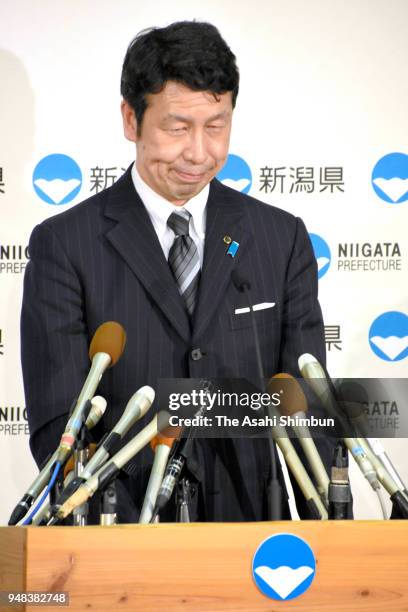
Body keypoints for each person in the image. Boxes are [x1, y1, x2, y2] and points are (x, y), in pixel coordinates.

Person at [21, 21, 332, 522]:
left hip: (252, 529)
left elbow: (306, 409)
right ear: (131, 119)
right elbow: (62, 421)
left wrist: (330, 518)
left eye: (216, 126)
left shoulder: (280, 237)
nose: (199, 152)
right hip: (120, 534)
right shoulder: (64, 245)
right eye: (177, 127)